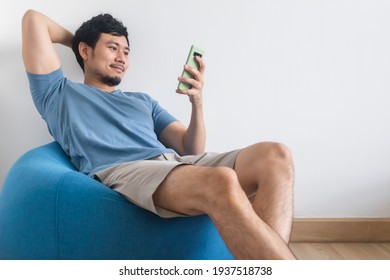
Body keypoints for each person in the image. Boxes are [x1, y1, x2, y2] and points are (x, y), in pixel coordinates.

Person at [22, 9, 296, 260]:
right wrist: (77, 42)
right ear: (85, 50)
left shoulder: (142, 101)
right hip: (123, 171)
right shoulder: (58, 93)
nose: (122, 58)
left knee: (276, 155)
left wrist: (197, 101)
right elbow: (34, 19)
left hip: (172, 164)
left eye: (126, 52)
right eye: (112, 47)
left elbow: (191, 148)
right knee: (221, 180)